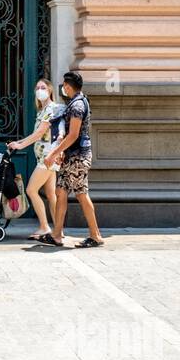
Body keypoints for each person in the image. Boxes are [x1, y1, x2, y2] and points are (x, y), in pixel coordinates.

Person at [44, 71, 104, 248]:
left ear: (68, 86)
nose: (63, 88)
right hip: (72, 156)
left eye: (64, 85)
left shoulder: (77, 105)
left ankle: (95, 235)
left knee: (81, 194)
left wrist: (53, 153)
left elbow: (73, 135)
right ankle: (56, 234)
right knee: (61, 192)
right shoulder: (76, 102)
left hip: (78, 157)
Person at [7, 78, 65, 240]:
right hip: (46, 157)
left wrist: (20, 146)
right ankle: (58, 229)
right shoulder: (42, 110)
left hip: (47, 159)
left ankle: (45, 227)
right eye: (38, 87)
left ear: (50, 90)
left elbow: (39, 134)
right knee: (51, 194)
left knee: (31, 190)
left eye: (43, 87)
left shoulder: (52, 109)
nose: (40, 90)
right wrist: (18, 142)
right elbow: (37, 135)